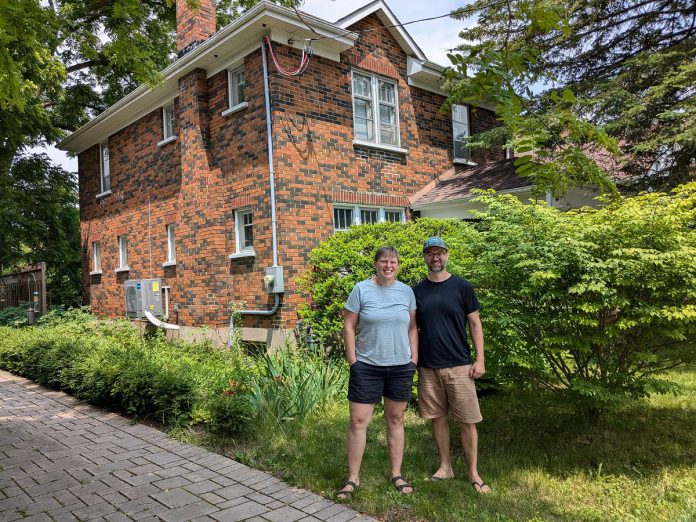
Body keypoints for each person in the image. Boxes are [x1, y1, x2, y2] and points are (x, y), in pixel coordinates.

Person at [337, 246, 418, 499]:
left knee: (396, 420)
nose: (388, 265)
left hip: (400, 366)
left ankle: (396, 473)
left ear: (398, 264)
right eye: (384, 261)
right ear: (376, 263)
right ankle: (353, 478)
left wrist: (413, 359)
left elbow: (413, 327)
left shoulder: (407, 292)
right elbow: (349, 326)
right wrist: (354, 361)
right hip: (367, 367)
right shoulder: (361, 289)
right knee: (358, 421)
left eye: (393, 261)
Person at [412, 236, 491, 493]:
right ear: (424, 257)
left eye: (440, 253)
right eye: (430, 254)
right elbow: (413, 328)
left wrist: (480, 359)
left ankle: (474, 473)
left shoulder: (462, 287)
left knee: (468, 421)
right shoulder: (417, 291)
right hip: (428, 367)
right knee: (437, 418)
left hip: (459, 365)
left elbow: (475, 324)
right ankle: (445, 467)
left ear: (447, 255)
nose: (435, 258)